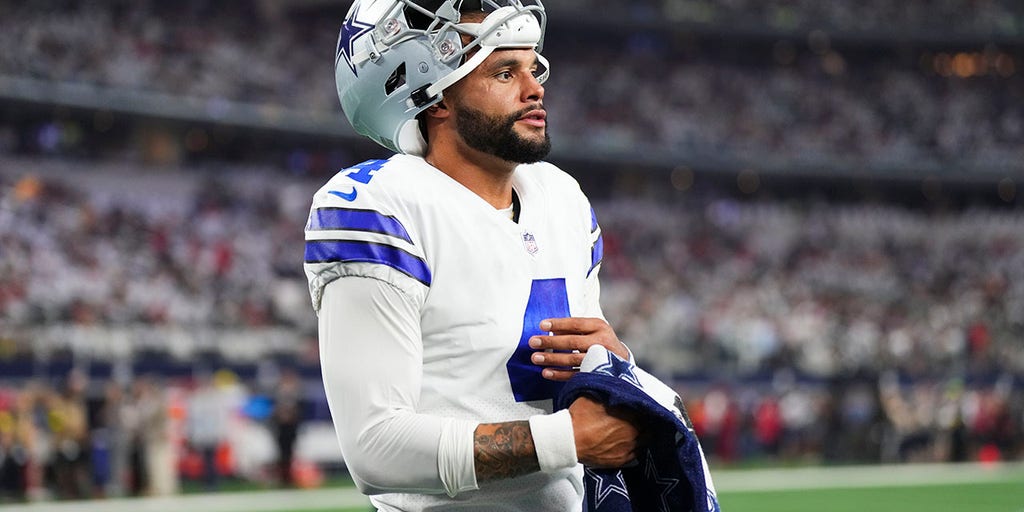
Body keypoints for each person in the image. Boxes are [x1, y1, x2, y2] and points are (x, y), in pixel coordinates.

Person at [305, 1, 638, 510]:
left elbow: (585, 393)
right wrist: (564, 440)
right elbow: (374, 448)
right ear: (433, 97)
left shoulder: (562, 199)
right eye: (504, 71)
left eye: (533, 68)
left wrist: (614, 367)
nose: (535, 89)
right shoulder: (377, 205)